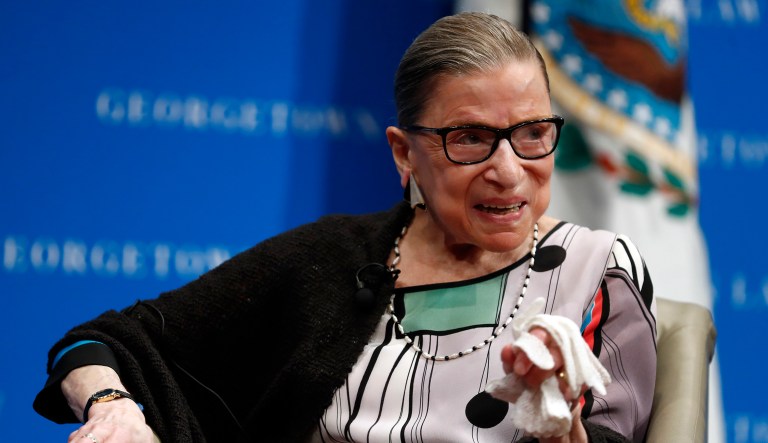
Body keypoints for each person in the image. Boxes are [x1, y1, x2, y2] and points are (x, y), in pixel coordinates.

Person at [33, 12, 656, 443]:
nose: (508, 169)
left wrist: (552, 418)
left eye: (532, 134)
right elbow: (96, 343)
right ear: (404, 153)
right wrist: (113, 409)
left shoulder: (595, 270)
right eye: (470, 139)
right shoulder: (333, 259)